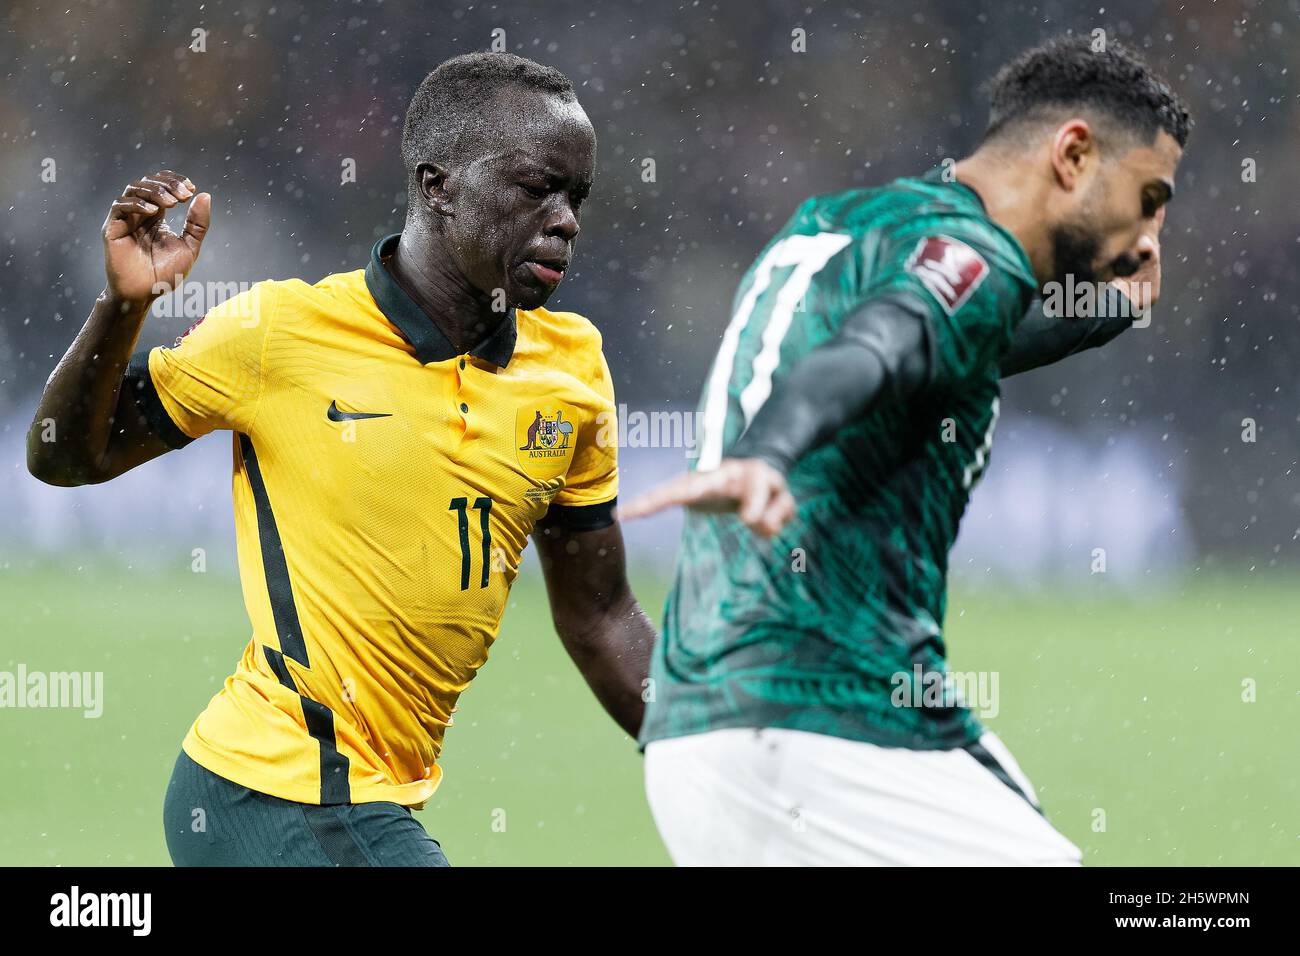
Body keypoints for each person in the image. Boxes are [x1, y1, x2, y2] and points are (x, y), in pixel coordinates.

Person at [27, 52, 656, 867]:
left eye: (578, 197)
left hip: (365, 798)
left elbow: (602, 615)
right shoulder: (279, 334)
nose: (566, 219)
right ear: (437, 185)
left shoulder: (573, 368)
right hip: (271, 785)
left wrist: (717, 755)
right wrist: (124, 306)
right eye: (538, 189)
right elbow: (65, 458)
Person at [623, 35, 1189, 866]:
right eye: (1149, 198)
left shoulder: (847, 226)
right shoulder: (972, 259)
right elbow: (883, 344)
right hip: (827, 724)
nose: (1149, 238)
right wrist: (769, 454)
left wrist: (1110, 307)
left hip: (703, 740)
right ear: (1073, 155)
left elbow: (949, 335)